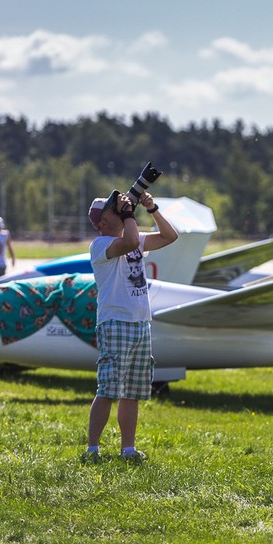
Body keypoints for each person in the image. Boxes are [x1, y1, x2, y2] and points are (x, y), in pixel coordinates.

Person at [82, 187, 178, 464]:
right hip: (115, 322)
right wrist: (129, 215)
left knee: (132, 392)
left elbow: (170, 236)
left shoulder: (131, 236)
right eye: (114, 209)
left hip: (139, 322)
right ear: (103, 222)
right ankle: (92, 449)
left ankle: (128, 449)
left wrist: (152, 209)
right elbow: (130, 241)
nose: (121, 209)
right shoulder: (100, 245)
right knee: (108, 390)